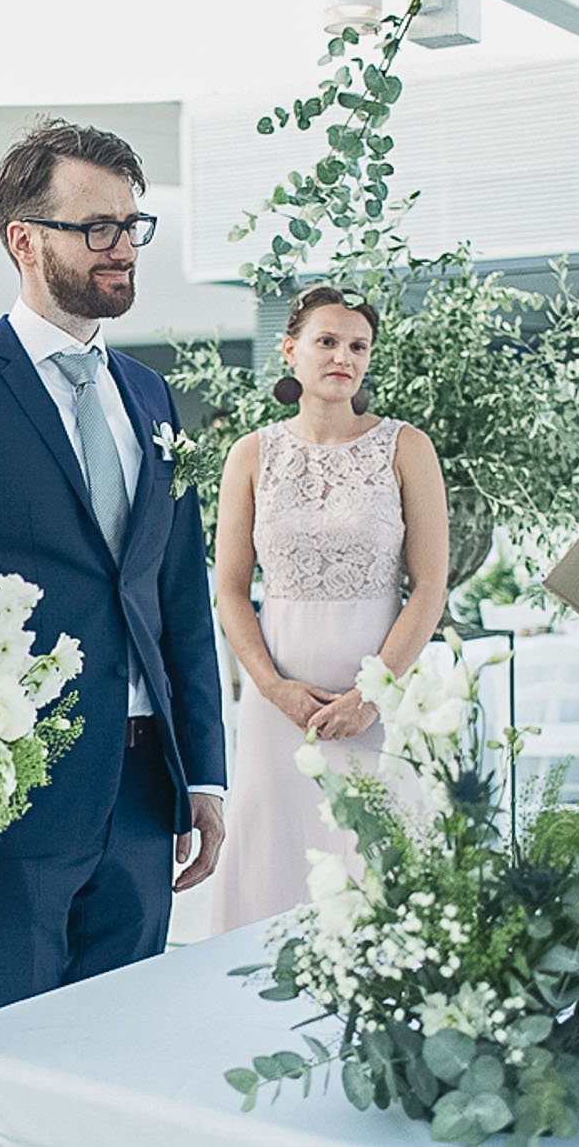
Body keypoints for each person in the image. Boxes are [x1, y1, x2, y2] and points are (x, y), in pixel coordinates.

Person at [0, 119, 227, 1022]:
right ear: (23, 239)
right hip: (12, 797)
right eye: (98, 227)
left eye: (132, 225)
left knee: (121, 1053)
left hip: (148, 791)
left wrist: (206, 776)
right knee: (8, 1057)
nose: (122, 249)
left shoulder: (150, 395)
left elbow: (177, 598)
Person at [208, 285, 448, 929]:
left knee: (376, 857)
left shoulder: (407, 447)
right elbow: (230, 587)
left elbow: (430, 585)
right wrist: (271, 687)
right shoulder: (251, 455)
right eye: (327, 341)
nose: (343, 355)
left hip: (380, 698)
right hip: (277, 701)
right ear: (290, 352)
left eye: (357, 345)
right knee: (274, 860)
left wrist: (374, 693)